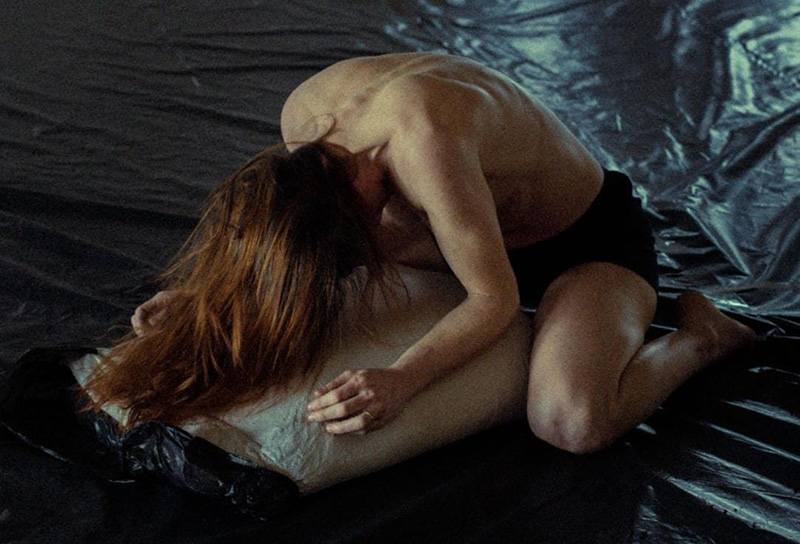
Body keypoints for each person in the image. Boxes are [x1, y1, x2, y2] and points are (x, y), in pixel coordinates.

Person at [128, 51, 756, 453]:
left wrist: (401, 379)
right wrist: (203, 295)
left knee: (571, 423)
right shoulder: (307, 114)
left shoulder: (424, 142)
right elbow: (287, 228)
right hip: (465, 231)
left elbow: (493, 299)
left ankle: (700, 339)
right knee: (299, 280)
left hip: (580, 244)